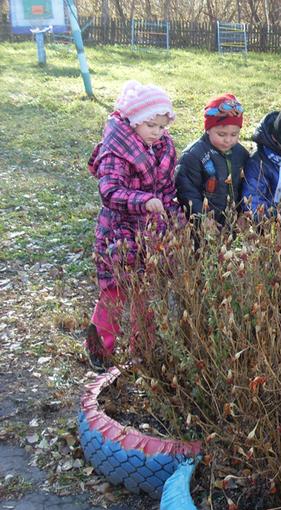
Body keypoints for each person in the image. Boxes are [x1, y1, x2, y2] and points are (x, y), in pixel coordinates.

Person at [85, 80, 184, 371]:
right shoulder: (115, 150)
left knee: (147, 292)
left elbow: (167, 188)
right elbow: (110, 191)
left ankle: (142, 352)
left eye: (162, 127)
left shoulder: (163, 148)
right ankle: (100, 349)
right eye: (151, 125)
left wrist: (171, 213)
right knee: (115, 293)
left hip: (150, 233)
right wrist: (142, 200)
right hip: (119, 232)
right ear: (134, 121)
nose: (157, 132)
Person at [175, 93, 250, 228]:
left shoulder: (240, 153)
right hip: (202, 223)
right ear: (208, 129)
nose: (228, 140)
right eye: (221, 134)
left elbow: (246, 185)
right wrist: (202, 217)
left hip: (230, 220)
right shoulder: (194, 155)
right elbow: (187, 191)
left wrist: (243, 212)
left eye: (234, 134)